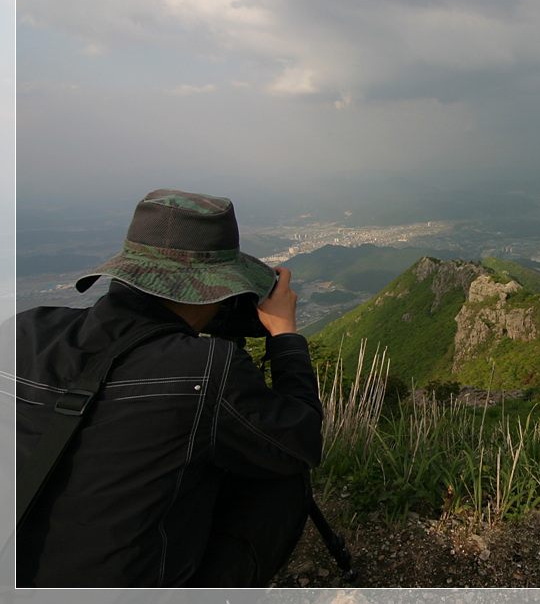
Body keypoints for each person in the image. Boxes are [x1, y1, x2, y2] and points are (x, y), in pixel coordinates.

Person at [15, 188, 322, 587]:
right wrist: (284, 336)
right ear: (210, 286)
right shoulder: (206, 369)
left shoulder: (25, 330)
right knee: (280, 471)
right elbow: (300, 439)